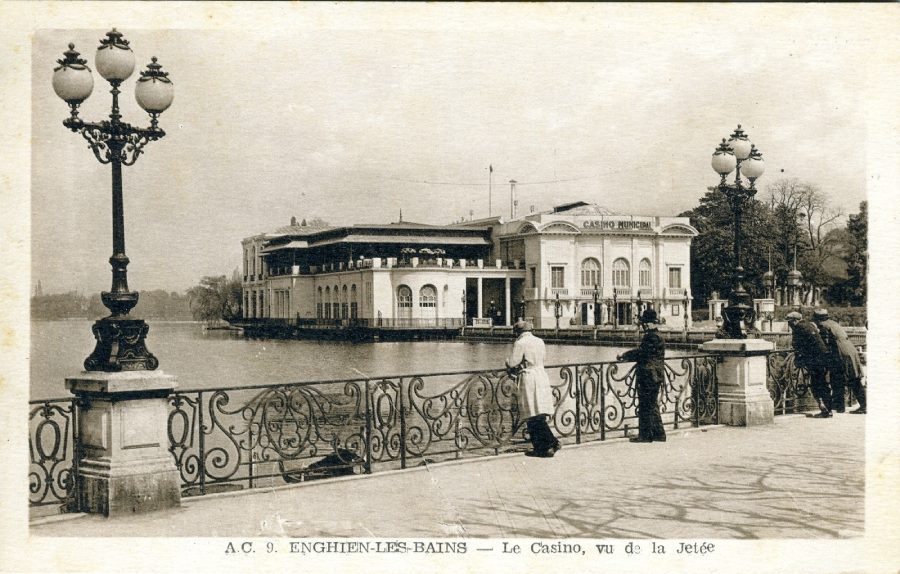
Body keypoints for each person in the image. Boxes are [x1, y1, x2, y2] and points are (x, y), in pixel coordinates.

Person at [506, 320, 560, 457]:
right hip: (541, 375)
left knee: (531, 413)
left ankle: (546, 445)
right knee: (539, 411)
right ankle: (546, 445)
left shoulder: (520, 343)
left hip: (529, 377)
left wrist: (507, 363)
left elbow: (513, 362)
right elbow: (543, 359)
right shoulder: (539, 341)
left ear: (518, 332)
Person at [617, 308, 667, 443]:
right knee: (652, 404)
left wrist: (624, 356)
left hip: (648, 374)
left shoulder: (650, 336)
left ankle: (645, 436)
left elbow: (641, 353)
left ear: (650, 323)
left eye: (645, 323)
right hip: (656, 374)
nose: (644, 326)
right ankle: (659, 433)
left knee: (645, 405)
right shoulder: (659, 336)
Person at [813, 308, 866, 414]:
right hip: (850, 351)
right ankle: (840, 406)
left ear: (817, 318)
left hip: (842, 353)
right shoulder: (833, 323)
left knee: (847, 380)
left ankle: (861, 406)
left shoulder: (823, 326)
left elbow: (825, 344)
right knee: (845, 378)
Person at [785, 311, 832, 418]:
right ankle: (829, 409)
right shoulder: (809, 324)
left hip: (815, 360)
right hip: (824, 357)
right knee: (823, 383)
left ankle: (824, 410)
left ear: (795, 320)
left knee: (816, 384)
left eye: (790, 322)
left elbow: (797, 345)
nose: (789, 325)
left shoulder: (798, 328)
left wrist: (799, 358)